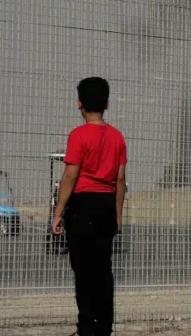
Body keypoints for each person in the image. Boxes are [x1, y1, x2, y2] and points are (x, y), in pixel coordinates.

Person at [51, 77, 127, 336]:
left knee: (83, 270)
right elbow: (120, 179)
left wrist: (58, 213)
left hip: (82, 204)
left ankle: (87, 327)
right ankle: (104, 327)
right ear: (106, 103)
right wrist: (117, 214)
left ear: (79, 104)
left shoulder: (78, 136)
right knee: (103, 270)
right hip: (106, 204)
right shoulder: (117, 137)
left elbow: (70, 176)